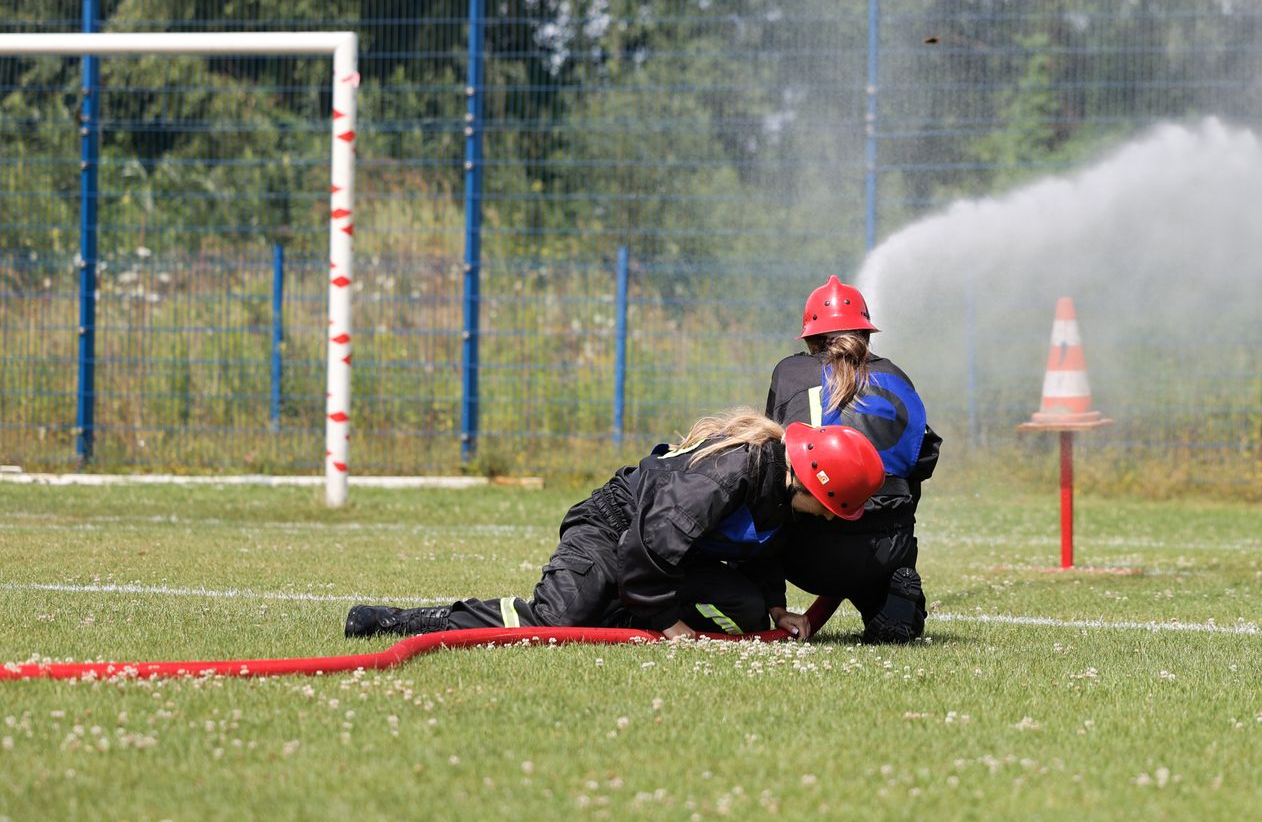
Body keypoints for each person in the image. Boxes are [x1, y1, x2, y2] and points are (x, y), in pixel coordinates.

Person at [343, 411, 883, 640]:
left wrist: (773, 610)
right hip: (611, 530)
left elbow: (763, 549)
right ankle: (404, 621)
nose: (829, 521)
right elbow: (649, 545)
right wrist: (670, 625)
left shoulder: (779, 483)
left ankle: (627, 606)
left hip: (665, 554)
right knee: (560, 621)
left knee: (742, 612)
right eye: (831, 509)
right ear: (814, 486)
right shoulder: (726, 476)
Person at [767, 275, 939, 643]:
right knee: (882, 533)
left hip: (810, 549)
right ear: (867, 333)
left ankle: (755, 606)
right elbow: (921, 466)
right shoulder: (898, 377)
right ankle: (892, 594)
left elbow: (774, 458)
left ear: (810, 337)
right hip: (888, 547)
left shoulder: (791, 372)